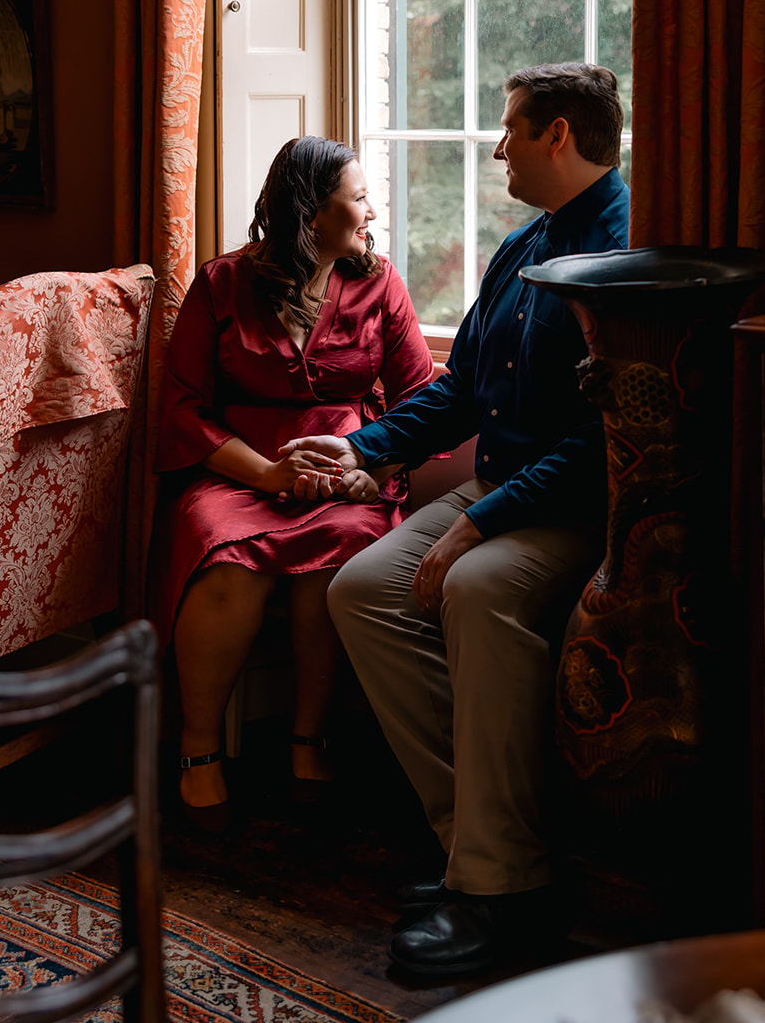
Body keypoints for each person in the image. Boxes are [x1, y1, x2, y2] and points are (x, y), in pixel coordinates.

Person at [284, 63, 629, 978]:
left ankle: (499, 890)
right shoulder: (522, 248)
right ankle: (486, 850)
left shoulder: (626, 249)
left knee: (475, 590)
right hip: (500, 489)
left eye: (512, 127)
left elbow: (604, 438)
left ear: (559, 134)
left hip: (574, 506)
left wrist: (477, 526)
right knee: (361, 591)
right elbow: (462, 392)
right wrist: (363, 449)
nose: (498, 145)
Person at [152, 135, 435, 834]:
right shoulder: (222, 282)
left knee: (337, 558)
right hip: (238, 469)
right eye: (359, 197)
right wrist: (269, 472)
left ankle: (310, 737)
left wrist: (370, 471)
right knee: (224, 556)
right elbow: (182, 408)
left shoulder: (379, 282)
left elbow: (422, 399)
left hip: (346, 474)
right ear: (311, 212)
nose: (373, 209)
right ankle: (198, 746)